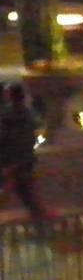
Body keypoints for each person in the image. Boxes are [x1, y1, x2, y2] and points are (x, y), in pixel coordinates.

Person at [0, 84, 48, 223]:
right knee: (25, 190)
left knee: (19, 188)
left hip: (12, 160)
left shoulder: (8, 115)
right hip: (22, 159)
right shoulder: (27, 114)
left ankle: (39, 214)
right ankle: (39, 215)